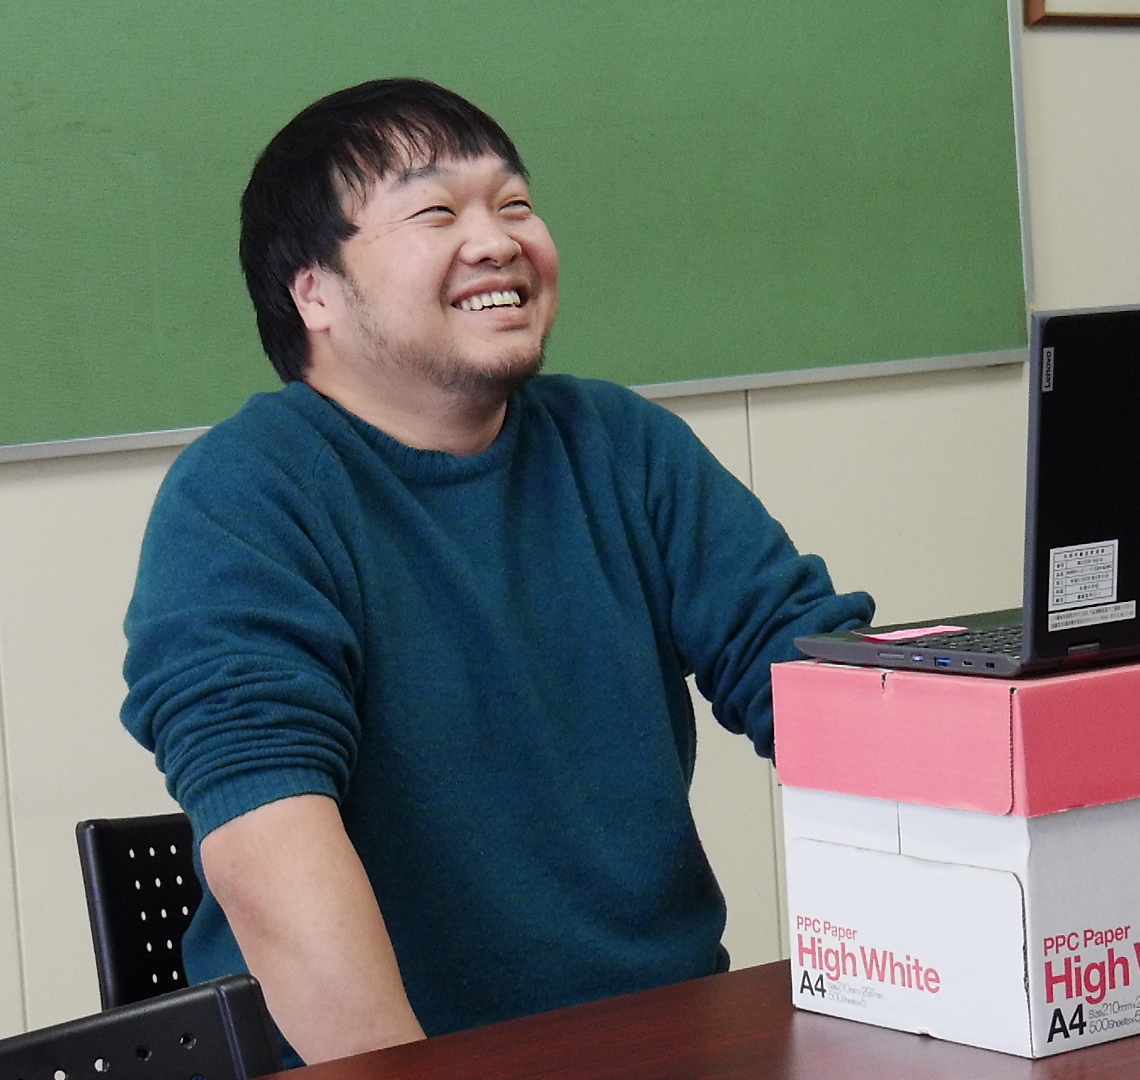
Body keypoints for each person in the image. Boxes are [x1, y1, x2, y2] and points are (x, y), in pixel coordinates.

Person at [120, 77, 873, 1064]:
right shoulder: (243, 496)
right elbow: (268, 852)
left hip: (660, 1041)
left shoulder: (623, 446)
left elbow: (823, 688)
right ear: (314, 291)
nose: (497, 240)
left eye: (514, 204)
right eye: (436, 212)